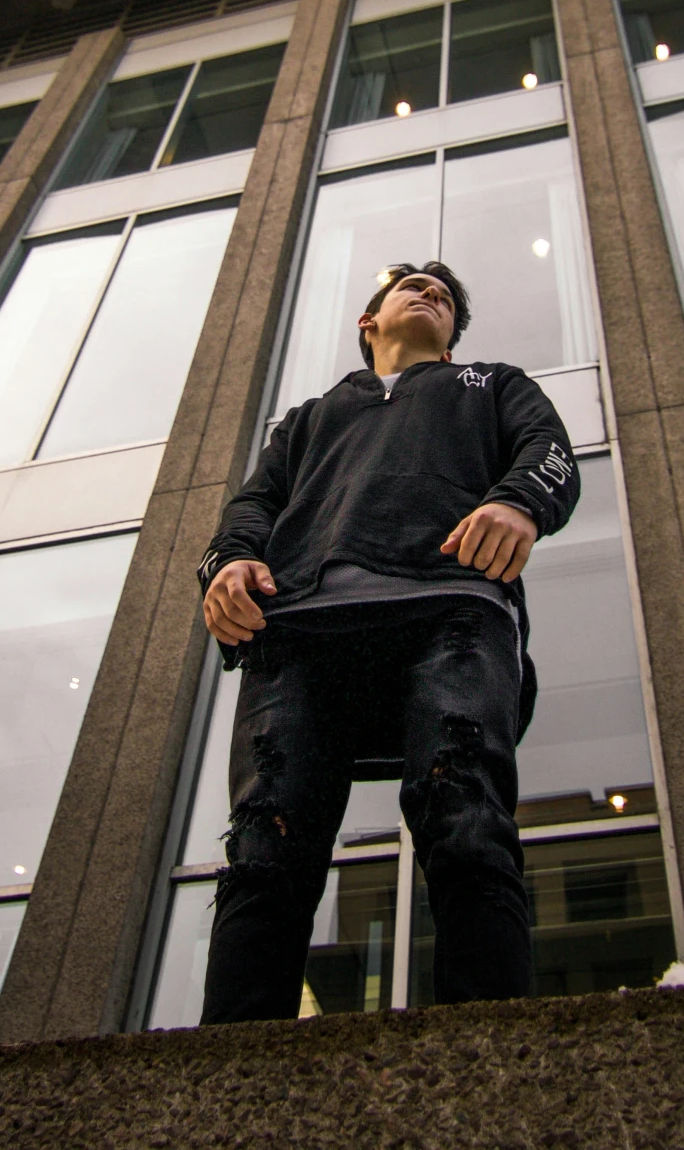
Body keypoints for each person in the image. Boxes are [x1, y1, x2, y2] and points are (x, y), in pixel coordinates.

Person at [195, 260, 579, 1021]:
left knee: (466, 817)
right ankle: (222, 1072)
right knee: (264, 845)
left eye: (445, 295)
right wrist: (229, 563)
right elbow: (252, 506)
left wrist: (520, 502)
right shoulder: (307, 418)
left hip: (452, 609)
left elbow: (549, 450)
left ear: (452, 337)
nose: (431, 289)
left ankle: (494, 1049)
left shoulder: (493, 383)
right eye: (412, 285)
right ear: (368, 323)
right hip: (298, 630)